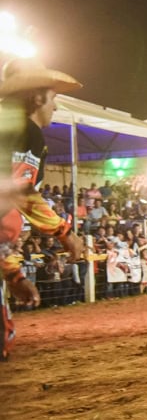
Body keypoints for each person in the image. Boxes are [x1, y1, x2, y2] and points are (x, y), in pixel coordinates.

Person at [0, 58, 85, 360]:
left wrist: (12, 275)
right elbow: (18, 192)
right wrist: (64, 232)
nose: (56, 107)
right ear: (37, 97)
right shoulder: (25, 131)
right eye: (54, 98)